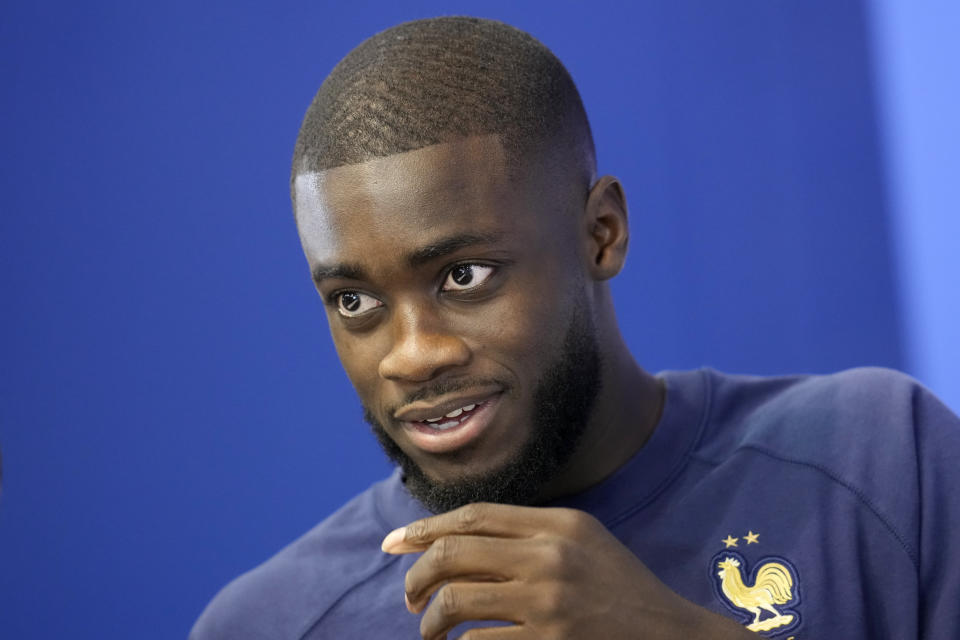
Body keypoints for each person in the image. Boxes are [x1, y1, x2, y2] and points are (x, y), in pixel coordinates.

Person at [190, 16, 960, 640]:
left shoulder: (883, 459)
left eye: (464, 277)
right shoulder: (270, 624)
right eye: (355, 301)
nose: (413, 355)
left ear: (601, 232)